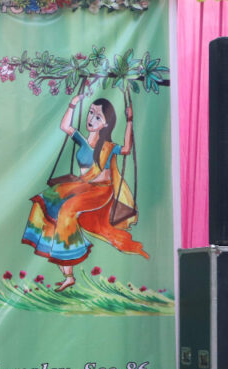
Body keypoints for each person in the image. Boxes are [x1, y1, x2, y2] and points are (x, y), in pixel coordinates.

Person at [21, 81, 147, 291]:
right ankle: (66, 273)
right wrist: (73, 103)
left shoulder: (108, 147)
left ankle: (70, 253)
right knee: (46, 200)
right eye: (90, 113)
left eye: (98, 117)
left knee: (67, 209)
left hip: (100, 191)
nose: (91, 119)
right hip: (81, 186)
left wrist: (130, 120)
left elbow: (126, 149)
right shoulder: (81, 140)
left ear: (105, 124)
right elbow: (65, 126)